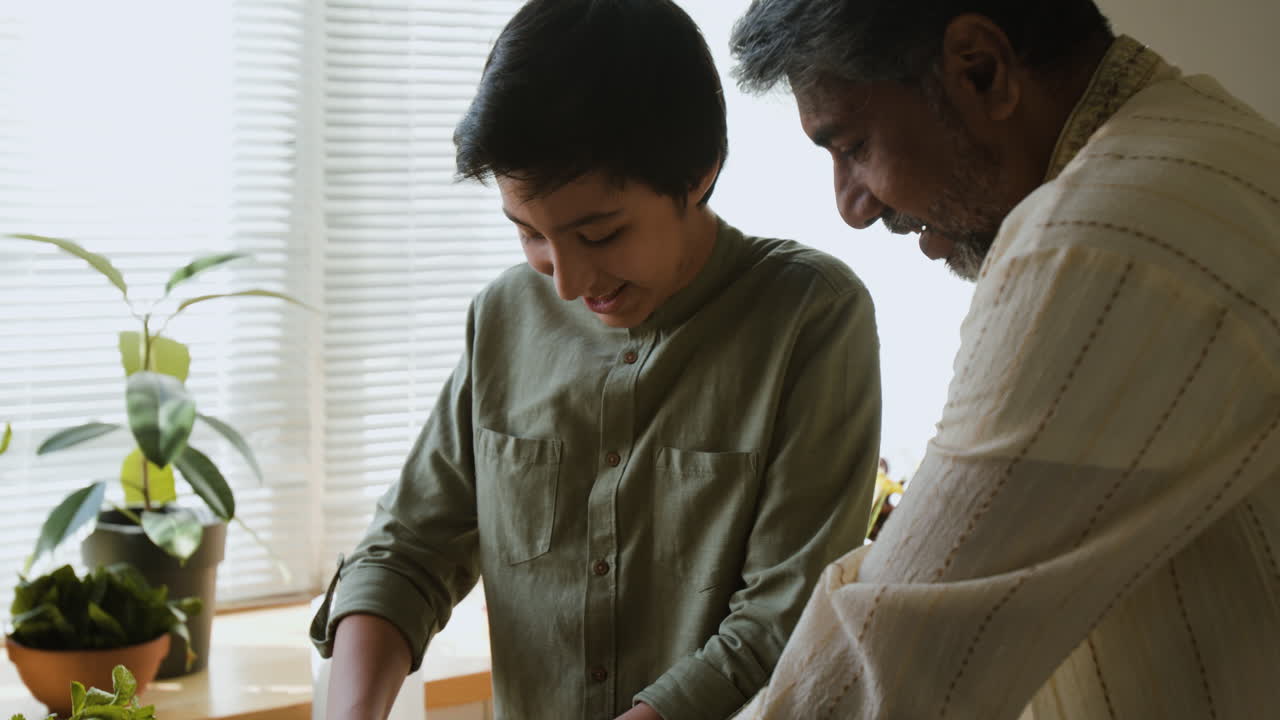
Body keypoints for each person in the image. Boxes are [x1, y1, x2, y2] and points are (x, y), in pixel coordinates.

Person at [310, 2, 883, 719]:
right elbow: (406, 553)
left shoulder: (810, 318)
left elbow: (783, 623)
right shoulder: (502, 318)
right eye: (530, 235)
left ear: (698, 173)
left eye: (601, 233)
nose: (568, 282)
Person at [728, 1, 1280, 718]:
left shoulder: (1093, 239)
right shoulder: (1208, 138)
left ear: (980, 70)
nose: (853, 206)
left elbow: (891, 660)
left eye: (853, 145)